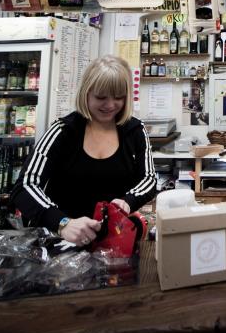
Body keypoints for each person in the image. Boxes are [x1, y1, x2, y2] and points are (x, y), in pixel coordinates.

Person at [11, 56, 157, 245]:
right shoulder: (62, 131)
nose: (110, 105)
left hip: (115, 244)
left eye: (119, 97)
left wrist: (128, 201)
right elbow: (25, 187)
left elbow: (149, 179)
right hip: (62, 244)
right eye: (101, 97)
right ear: (85, 93)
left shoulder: (135, 130)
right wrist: (63, 223)